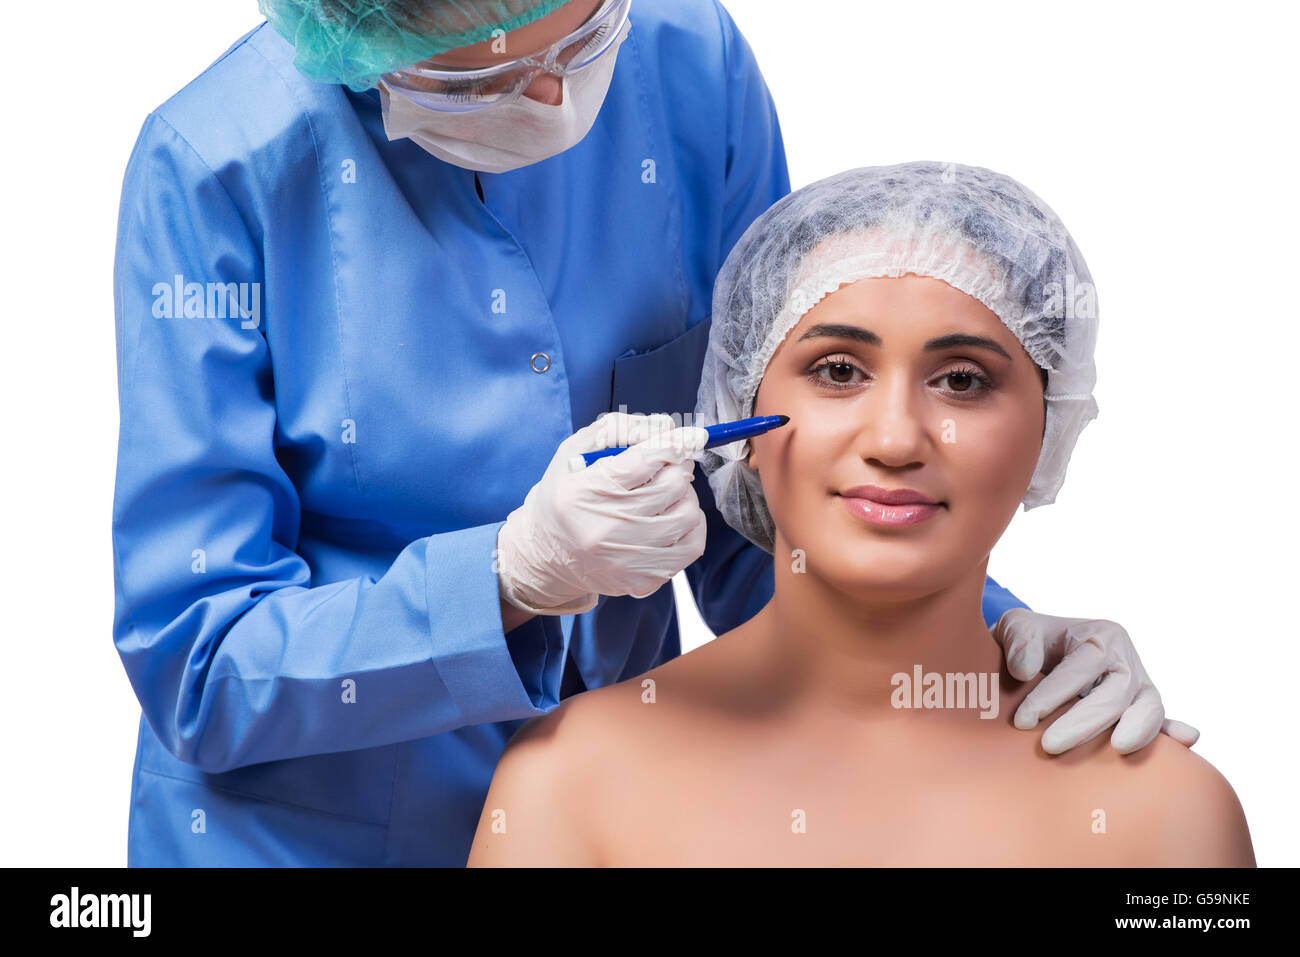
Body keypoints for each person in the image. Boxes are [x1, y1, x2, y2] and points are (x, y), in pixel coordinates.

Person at [112, 0, 1193, 867]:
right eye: (475, 79)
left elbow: (764, 471)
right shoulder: (215, 168)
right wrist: (507, 580)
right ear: (359, 40)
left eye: (581, 39)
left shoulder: (688, 55)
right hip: (307, 836)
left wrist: (993, 646)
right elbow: (198, 667)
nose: (549, 95)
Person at [467, 162, 1253, 867]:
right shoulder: (565, 789)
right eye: (838, 370)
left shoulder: (1171, 817)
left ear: (1051, 427)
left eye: (964, 380)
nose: (896, 438)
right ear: (738, 408)